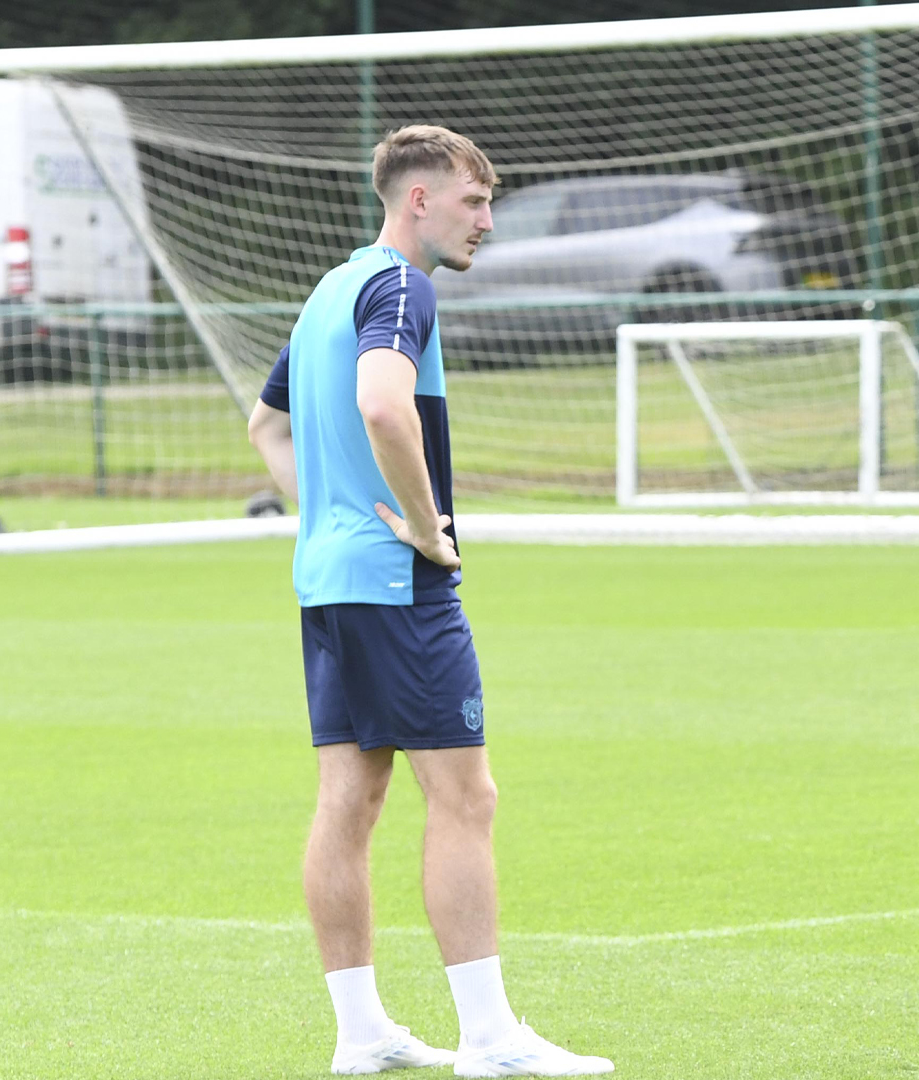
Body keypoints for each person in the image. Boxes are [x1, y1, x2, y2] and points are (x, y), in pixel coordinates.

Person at [247, 124, 613, 1077]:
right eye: (474, 201)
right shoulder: (400, 285)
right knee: (464, 796)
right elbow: (381, 400)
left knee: (348, 799)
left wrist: (328, 516)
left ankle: (361, 1033)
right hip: (394, 581)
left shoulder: (330, 286)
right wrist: (420, 524)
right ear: (419, 200)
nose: (486, 220)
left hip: (326, 579)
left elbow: (265, 426)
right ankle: (489, 1038)